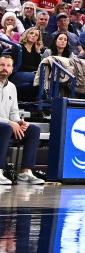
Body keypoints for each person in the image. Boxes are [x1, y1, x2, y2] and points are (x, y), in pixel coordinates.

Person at [0, 54, 44, 184]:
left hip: (6, 126)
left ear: (12, 69)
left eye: (8, 66)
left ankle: (25, 172)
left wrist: (19, 122)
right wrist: (10, 122)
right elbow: (9, 122)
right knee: (7, 128)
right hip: (4, 126)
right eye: (2, 65)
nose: (5, 68)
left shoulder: (12, 87)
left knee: (33, 130)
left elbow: (14, 112)